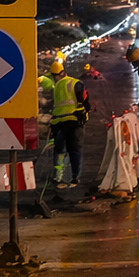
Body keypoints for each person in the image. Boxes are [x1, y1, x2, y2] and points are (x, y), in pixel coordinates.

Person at [38, 58, 91, 188]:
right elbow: (86, 101)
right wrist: (85, 113)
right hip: (74, 122)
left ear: (57, 75)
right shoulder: (76, 83)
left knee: (59, 150)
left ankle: (57, 177)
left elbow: (55, 105)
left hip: (59, 123)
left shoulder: (57, 87)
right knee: (75, 149)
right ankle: (75, 177)